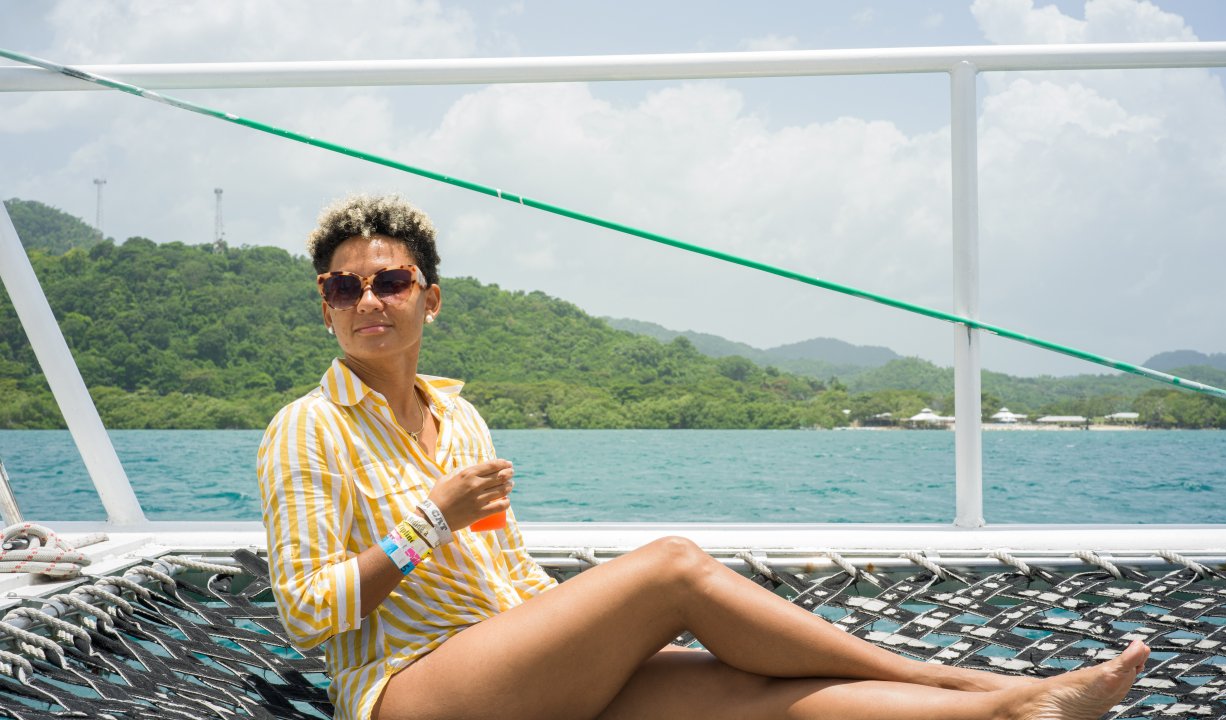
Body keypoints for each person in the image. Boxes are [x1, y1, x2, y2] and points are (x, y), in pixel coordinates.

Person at [258, 193, 1150, 720]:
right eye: (343, 286)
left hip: (515, 668)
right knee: (673, 567)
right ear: (324, 308)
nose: (367, 300)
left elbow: (505, 570)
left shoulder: (457, 417)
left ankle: (1004, 710)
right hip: (412, 692)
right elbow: (304, 614)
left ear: (430, 298)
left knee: (751, 694)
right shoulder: (307, 428)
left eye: (390, 281)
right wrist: (432, 520)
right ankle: (945, 675)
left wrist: (582, 631)